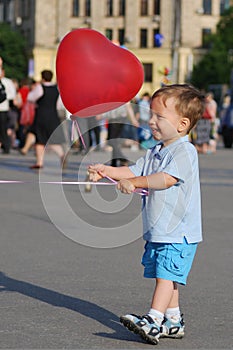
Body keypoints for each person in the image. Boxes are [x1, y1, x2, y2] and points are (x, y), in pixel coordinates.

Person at [88, 84, 205, 345]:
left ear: (182, 124)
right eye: (151, 115)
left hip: (179, 231)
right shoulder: (157, 150)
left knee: (166, 276)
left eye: (159, 117)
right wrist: (105, 171)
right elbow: (133, 171)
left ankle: (153, 320)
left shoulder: (185, 151)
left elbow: (165, 179)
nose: (150, 121)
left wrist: (137, 183)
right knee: (167, 274)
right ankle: (173, 322)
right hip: (161, 228)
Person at [27, 70, 65, 169]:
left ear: (42, 77)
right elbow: (60, 103)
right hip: (53, 115)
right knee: (52, 138)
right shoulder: (56, 88)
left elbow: (30, 98)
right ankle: (61, 154)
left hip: (41, 115)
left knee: (40, 138)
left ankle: (40, 162)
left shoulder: (40, 87)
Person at [103, 102, 139, 166]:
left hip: (118, 119)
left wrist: (133, 120)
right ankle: (114, 162)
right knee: (114, 141)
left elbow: (128, 106)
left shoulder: (122, 95)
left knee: (112, 141)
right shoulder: (111, 95)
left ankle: (122, 159)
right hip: (112, 119)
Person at [0, 58, 16, 153]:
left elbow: (12, 94)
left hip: (3, 108)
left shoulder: (8, 82)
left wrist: (3, 97)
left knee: (3, 128)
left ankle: (6, 146)